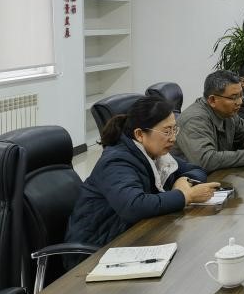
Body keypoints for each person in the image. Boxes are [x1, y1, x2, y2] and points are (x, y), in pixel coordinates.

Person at [65, 96, 220, 249]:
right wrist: (186, 196)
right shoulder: (116, 161)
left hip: (134, 233)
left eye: (174, 129)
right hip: (98, 248)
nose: (173, 138)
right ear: (139, 134)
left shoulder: (156, 153)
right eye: (167, 131)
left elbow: (197, 170)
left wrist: (184, 180)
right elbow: (133, 206)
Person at [172, 70, 244, 173]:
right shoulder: (194, 120)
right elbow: (205, 161)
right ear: (212, 100)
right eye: (234, 97)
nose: (240, 102)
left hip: (220, 175)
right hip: (191, 179)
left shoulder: (228, 113)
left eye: (241, 95)